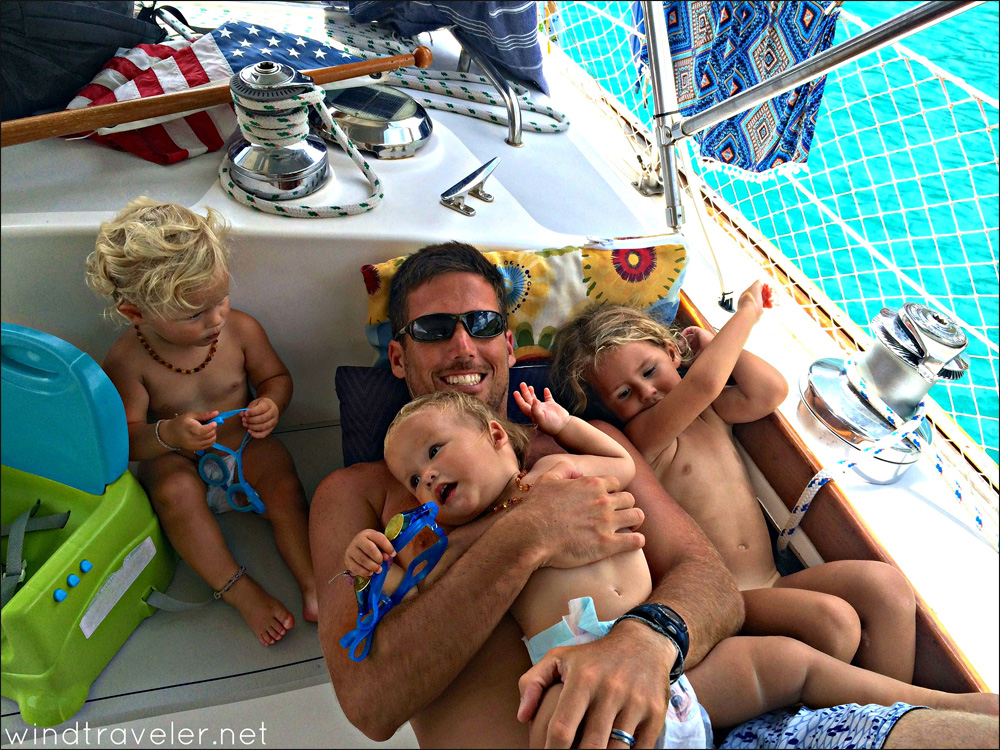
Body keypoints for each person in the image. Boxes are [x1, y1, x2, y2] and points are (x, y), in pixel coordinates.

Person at [310, 241, 999, 749]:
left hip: (706, 718)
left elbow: (712, 583)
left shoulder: (584, 448)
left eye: (485, 325)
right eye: (435, 330)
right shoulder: (356, 500)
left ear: (510, 347)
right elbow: (371, 704)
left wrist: (645, 641)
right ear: (397, 355)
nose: (464, 346)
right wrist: (528, 533)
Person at [345, 388, 997, 747]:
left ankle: (945, 704)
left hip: (674, 666)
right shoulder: (454, 538)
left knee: (791, 664)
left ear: (494, 436)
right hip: (577, 683)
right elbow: (412, 590)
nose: (427, 478)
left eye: (435, 452)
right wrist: (373, 564)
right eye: (415, 478)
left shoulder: (558, 469)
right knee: (558, 733)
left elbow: (621, 467)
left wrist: (568, 425)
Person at [550, 284, 916, 682]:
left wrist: (714, 343)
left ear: (672, 353)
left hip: (772, 580)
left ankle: (900, 706)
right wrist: (746, 312)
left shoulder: (710, 413)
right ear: (609, 410)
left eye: (650, 371)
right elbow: (703, 384)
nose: (648, 391)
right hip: (728, 599)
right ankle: (863, 710)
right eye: (625, 393)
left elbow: (770, 391)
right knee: (835, 624)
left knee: (887, 587)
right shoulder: (644, 438)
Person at [86, 197, 316, 646]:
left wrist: (271, 403)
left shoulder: (241, 331)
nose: (216, 318)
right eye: (194, 314)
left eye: (221, 298)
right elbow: (126, 443)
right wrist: (169, 434)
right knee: (171, 493)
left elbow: (276, 378)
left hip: (244, 444)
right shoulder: (128, 361)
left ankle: (312, 581)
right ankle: (239, 591)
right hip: (178, 460)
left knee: (283, 482)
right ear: (136, 314)